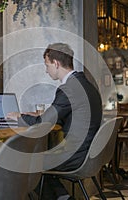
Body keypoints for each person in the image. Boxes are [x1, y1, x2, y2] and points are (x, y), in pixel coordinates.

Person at [7, 43, 102, 199]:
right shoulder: (87, 86)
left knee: (27, 163)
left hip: (76, 156)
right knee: (39, 161)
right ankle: (63, 197)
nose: (46, 70)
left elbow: (43, 123)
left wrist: (19, 117)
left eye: (47, 64)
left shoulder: (69, 88)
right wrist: (40, 115)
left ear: (56, 63)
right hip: (89, 155)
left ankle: (62, 197)